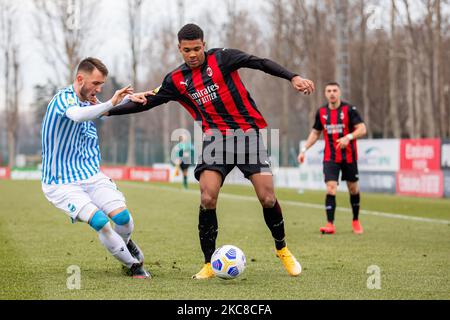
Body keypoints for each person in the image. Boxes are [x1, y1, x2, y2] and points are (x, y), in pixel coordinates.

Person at [109, 24, 315, 279]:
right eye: (187, 50)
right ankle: (208, 263)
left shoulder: (223, 58)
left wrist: (292, 76)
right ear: (179, 49)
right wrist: (106, 110)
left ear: (204, 45)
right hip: (215, 140)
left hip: (247, 135)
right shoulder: (176, 80)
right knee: (208, 198)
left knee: (268, 198)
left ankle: (282, 249)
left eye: (197, 48)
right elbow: (147, 103)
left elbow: (259, 62)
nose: (193, 54)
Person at [41, 57, 150, 279]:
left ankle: (125, 244)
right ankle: (134, 266)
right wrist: (112, 102)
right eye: (95, 84)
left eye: (101, 84)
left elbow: (102, 107)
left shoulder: (89, 99)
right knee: (100, 221)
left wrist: (129, 98)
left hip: (90, 175)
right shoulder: (63, 100)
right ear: (80, 79)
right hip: (60, 182)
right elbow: (78, 115)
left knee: (123, 219)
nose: (99, 89)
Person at [298, 82, 367, 235]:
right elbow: (315, 133)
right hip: (330, 157)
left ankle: (355, 220)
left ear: (339, 92)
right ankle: (330, 224)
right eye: (329, 91)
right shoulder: (321, 112)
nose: (332, 93)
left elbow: (362, 129)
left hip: (349, 157)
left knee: (353, 189)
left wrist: (348, 137)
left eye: (335, 90)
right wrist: (304, 150)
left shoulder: (349, 110)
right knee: (331, 188)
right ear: (325, 93)